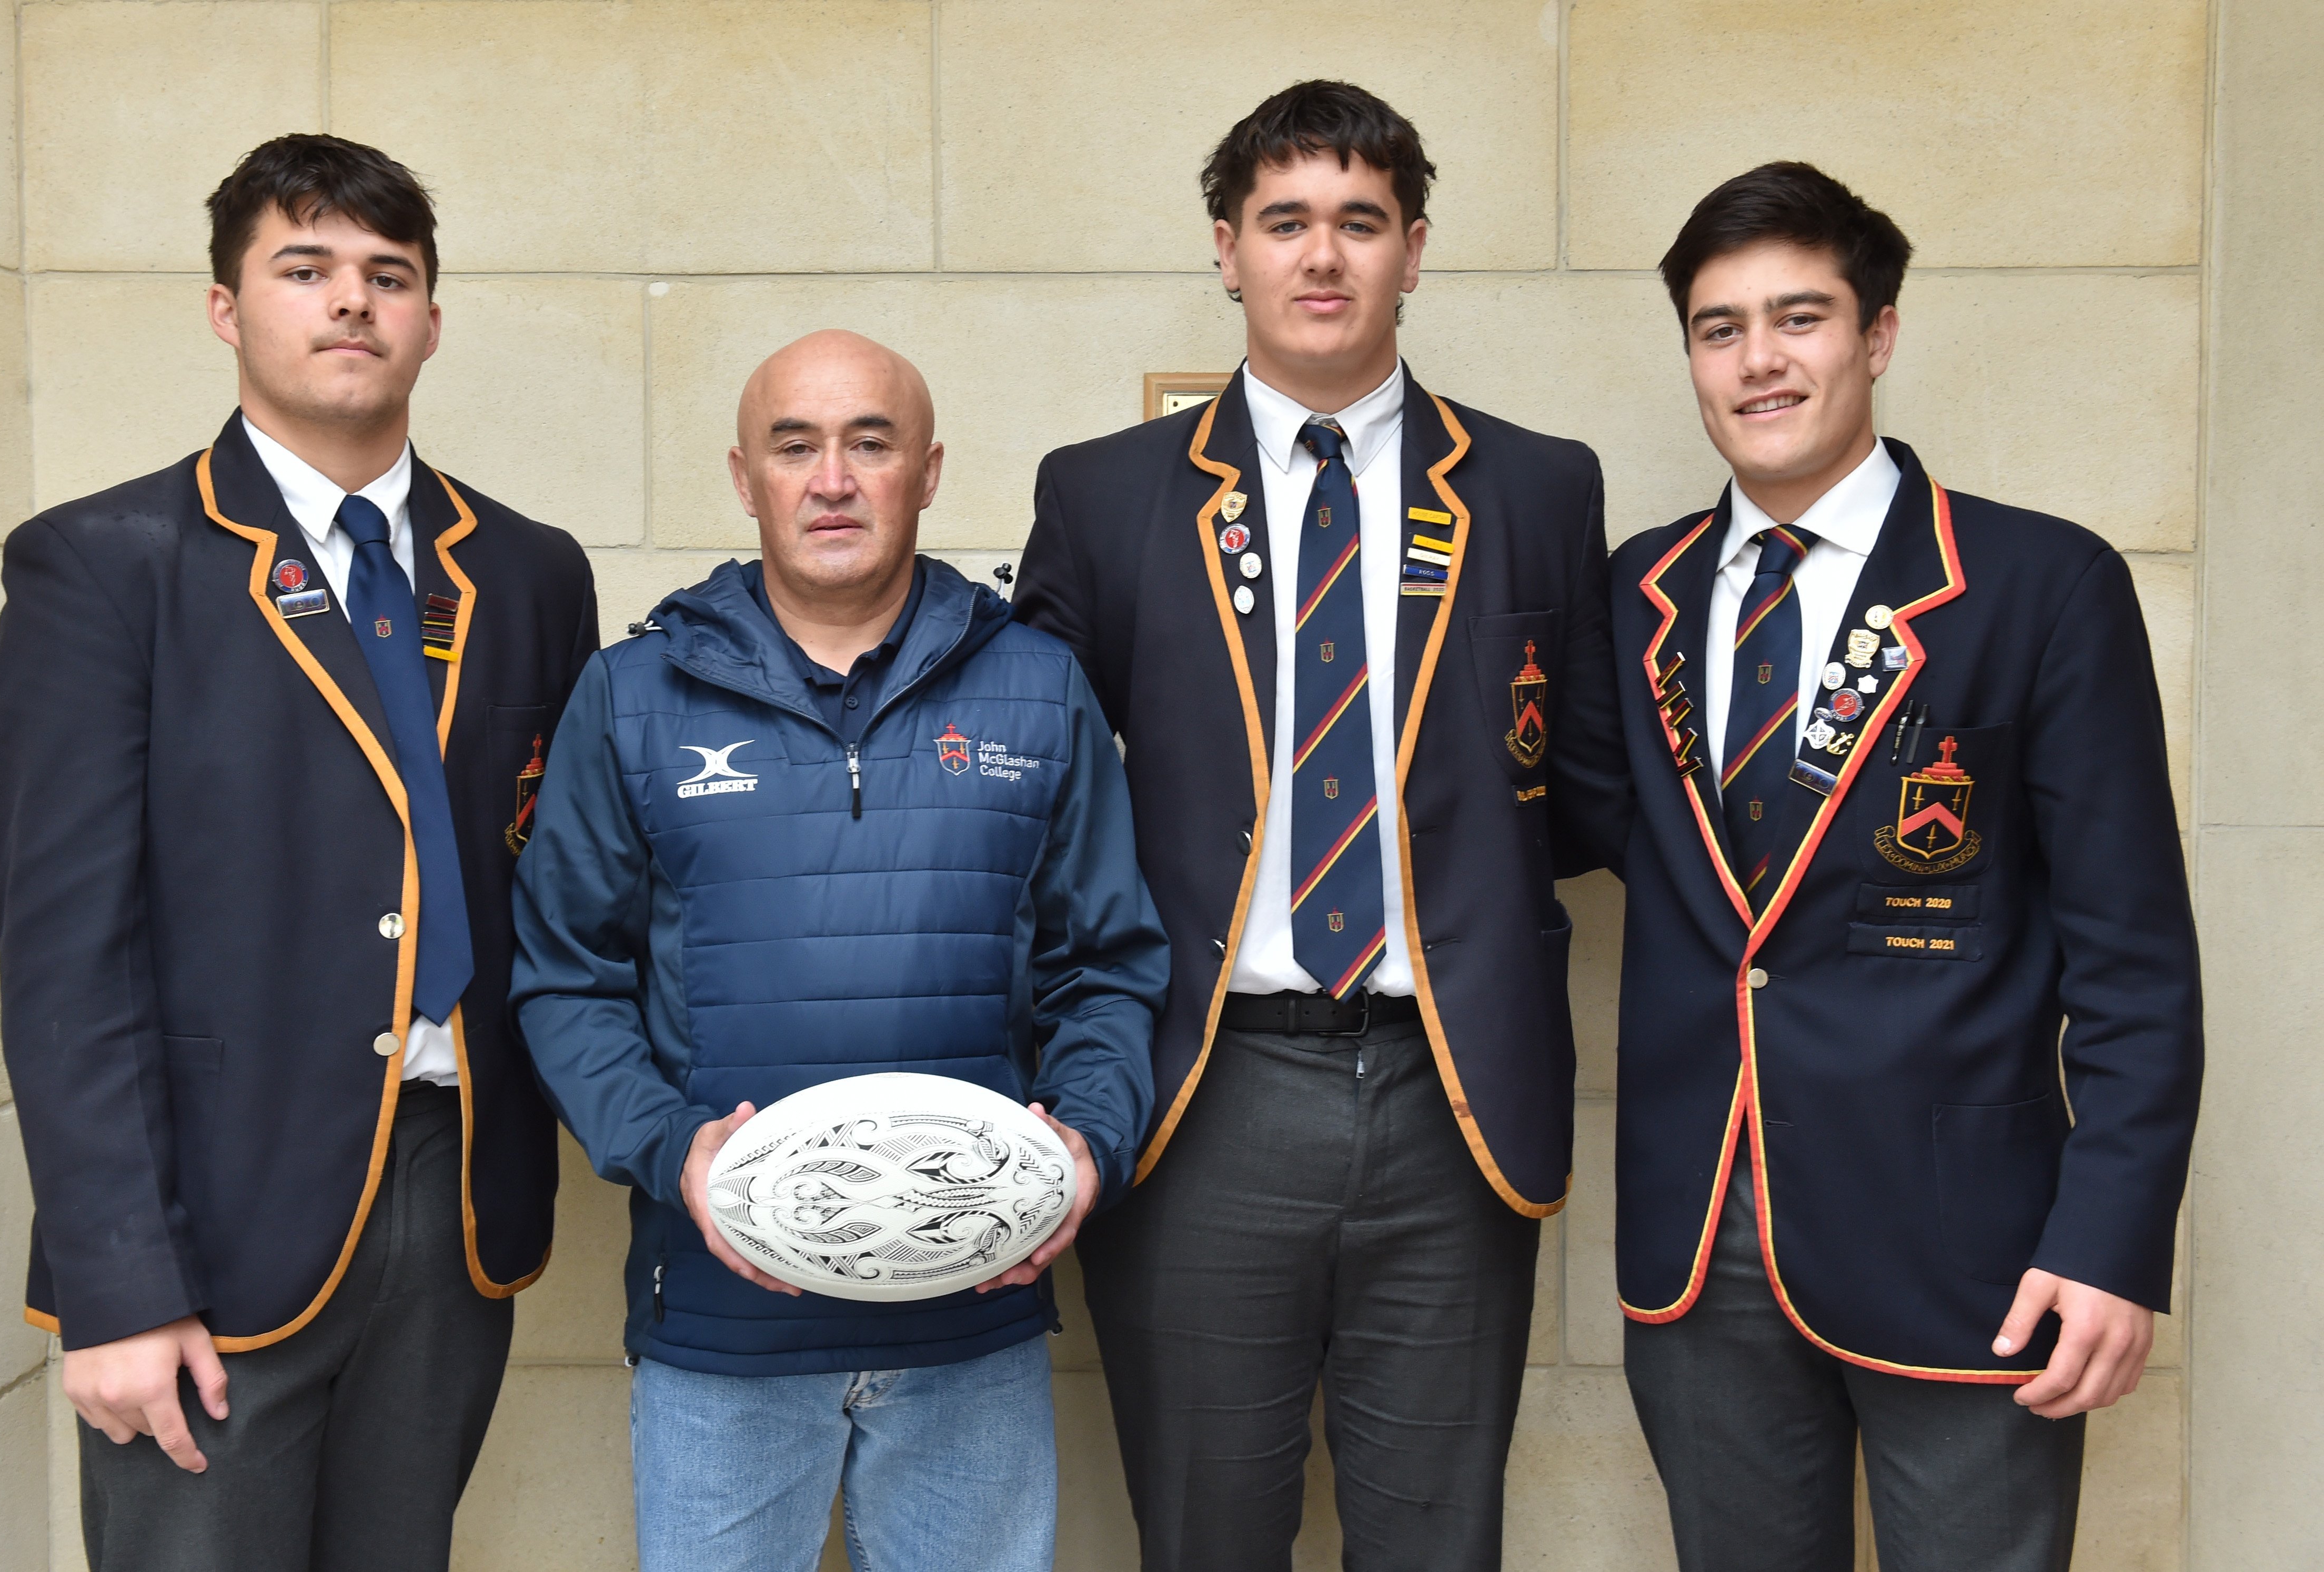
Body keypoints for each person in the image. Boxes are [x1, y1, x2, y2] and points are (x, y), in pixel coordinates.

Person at [1014, 81, 1627, 1570]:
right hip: (1203, 1084)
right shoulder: (1107, 495)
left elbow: (1583, 784)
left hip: (1451, 1085)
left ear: (1415, 249)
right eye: (1285, 222)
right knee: (1207, 1530)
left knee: (1437, 1539)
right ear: (1227, 250)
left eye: (1362, 221)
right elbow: (1032, 807)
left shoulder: (1540, 488)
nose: (1324, 257)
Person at [0, 134, 599, 1570]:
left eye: (390, 277)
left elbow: (556, 872)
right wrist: (118, 1285)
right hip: (208, 1216)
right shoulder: (103, 562)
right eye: (304, 269)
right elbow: (64, 955)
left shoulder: (526, 570)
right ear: (225, 308)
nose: (352, 304)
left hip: (455, 1203)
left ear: (432, 320)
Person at [1608, 162, 2202, 1572]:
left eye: (1799, 317)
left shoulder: (2039, 583)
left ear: (1877, 333)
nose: (1760, 359)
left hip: (1969, 1246)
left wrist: (2115, 1237)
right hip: (1700, 1245)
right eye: (1719, 326)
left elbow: (2134, 956)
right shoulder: (1637, 594)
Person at [511, 329, 1166, 1572]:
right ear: (742, 476)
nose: (831, 478)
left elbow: (1109, 964)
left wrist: (1089, 1141)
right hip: (720, 1332)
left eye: (869, 443)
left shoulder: (1036, 688)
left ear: (926, 472)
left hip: (970, 1325)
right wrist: (668, 1150)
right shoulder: (631, 695)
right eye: (793, 445)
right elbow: (564, 976)